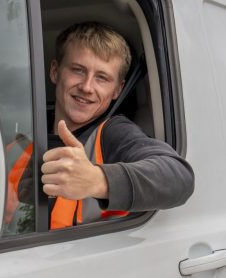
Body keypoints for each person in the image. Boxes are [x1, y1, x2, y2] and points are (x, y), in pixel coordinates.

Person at [37, 21, 194, 229]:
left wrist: (97, 181)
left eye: (102, 78)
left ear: (117, 90)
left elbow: (179, 178)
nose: (86, 87)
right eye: (78, 70)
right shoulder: (26, 132)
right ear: (55, 71)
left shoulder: (112, 133)